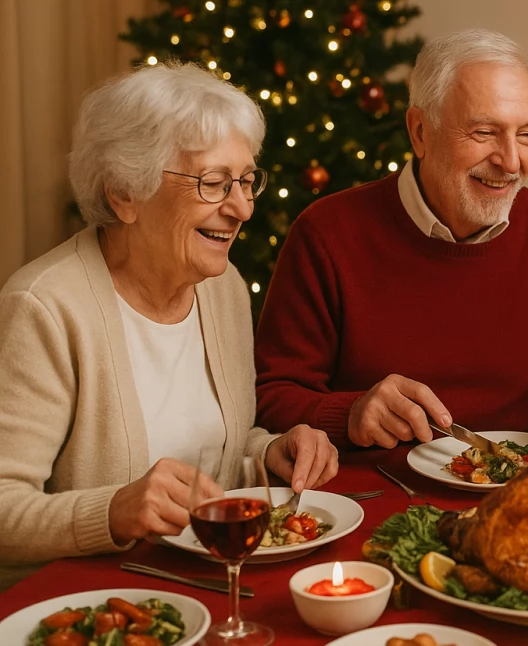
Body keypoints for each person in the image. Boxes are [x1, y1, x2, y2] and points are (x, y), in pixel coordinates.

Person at [0, 62, 339, 589]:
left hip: (208, 583)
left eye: (247, 181)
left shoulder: (220, 288)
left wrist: (269, 452)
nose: (243, 208)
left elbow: (215, 451)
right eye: (213, 183)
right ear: (124, 193)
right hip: (98, 604)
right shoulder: (44, 307)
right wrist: (113, 511)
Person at [254, 29, 528, 449]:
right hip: (380, 497)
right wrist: (351, 414)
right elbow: (271, 395)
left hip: (527, 493)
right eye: (484, 133)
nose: (511, 160)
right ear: (420, 132)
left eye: (526, 135)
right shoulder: (326, 232)